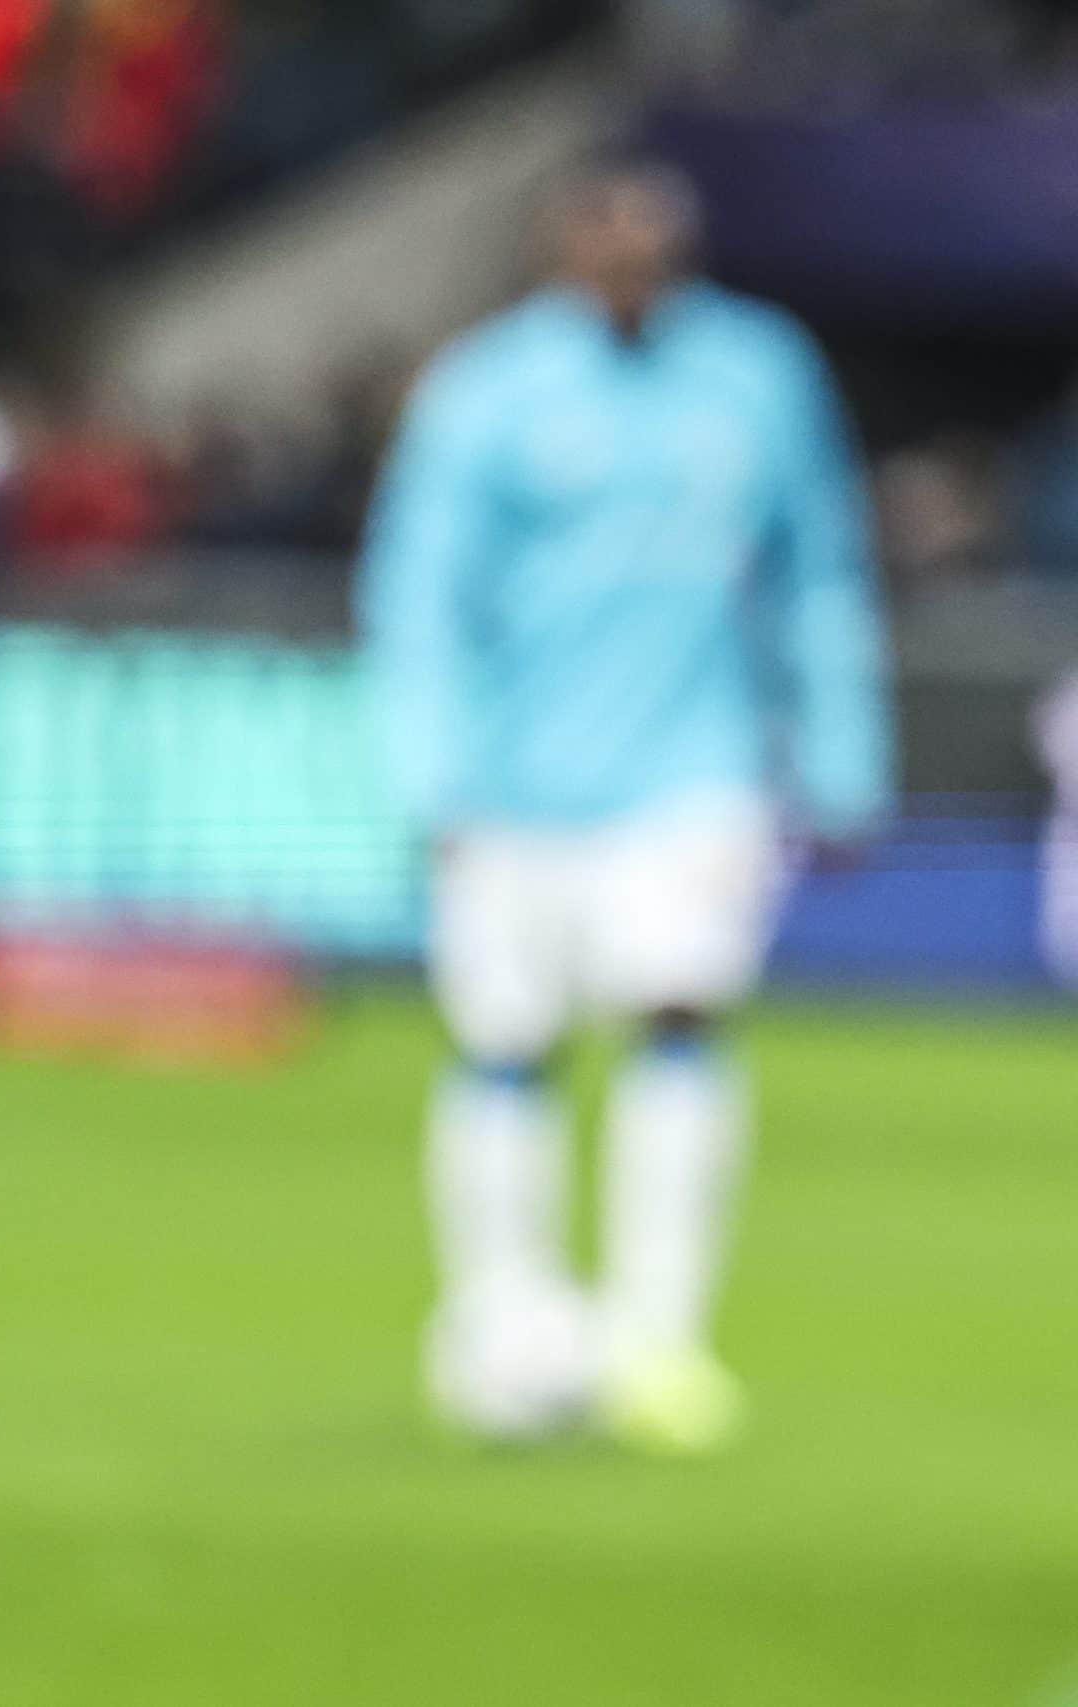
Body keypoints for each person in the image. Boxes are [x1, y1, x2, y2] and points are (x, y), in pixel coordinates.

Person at [356, 159, 891, 1452]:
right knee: (507, 1040)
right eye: (609, 241)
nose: (634, 263)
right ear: (560, 251)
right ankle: (506, 1318)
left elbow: (818, 565)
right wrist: (425, 767)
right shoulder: (488, 390)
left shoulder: (759, 376)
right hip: (513, 781)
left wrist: (843, 752)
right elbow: (420, 588)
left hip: (694, 770)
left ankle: (661, 1340)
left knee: (682, 1016)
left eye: (655, 241)